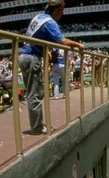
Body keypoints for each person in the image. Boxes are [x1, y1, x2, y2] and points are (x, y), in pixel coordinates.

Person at [19, 0, 83, 135]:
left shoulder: (38, 17)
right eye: (61, 10)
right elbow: (62, 41)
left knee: (34, 92)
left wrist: (45, 50)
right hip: (31, 57)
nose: (62, 13)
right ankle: (36, 128)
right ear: (55, 10)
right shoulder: (50, 22)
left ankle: (37, 124)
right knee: (35, 93)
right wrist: (79, 45)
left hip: (25, 56)